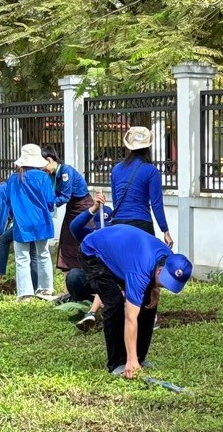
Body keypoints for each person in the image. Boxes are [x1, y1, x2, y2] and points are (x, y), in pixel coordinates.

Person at [80, 223, 193, 377]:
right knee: (115, 303)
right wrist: (130, 359)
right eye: (164, 282)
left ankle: (140, 357)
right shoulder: (140, 270)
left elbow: (154, 276)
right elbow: (131, 317)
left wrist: (154, 288)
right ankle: (117, 362)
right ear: (160, 270)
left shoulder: (167, 257)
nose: (165, 286)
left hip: (122, 253)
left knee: (149, 303)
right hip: (93, 253)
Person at [6, 143, 58, 302]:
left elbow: (9, 201)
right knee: (43, 254)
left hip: (22, 224)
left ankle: (25, 294)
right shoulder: (43, 177)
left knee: (22, 258)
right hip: (41, 221)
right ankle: (45, 289)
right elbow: (50, 202)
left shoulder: (13, 179)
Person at [110, 126, 173, 246]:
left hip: (118, 225)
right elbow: (156, 204)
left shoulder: (116, 169)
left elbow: (115, 201)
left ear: (129, 146)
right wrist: (165, 231)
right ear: (148, 146)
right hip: (142, 225)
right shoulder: (151, 171)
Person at [64, 190, 111, 332]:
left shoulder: (118, 239)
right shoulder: (90, 236)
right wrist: (94, 208)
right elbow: (74, 226)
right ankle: (86, 307)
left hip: (113, 282)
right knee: (74, 276)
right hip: (92, 279)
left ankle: (100, 310)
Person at [41, 148, 91, 272]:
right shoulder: (52, 175)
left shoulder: (65, 171)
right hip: (72, 208)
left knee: (84, 239)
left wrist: (49, 205)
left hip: (83, 207)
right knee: (66, 239)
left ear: (50, 160)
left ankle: (88, 271)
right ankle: (70, 274)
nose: (44, 171)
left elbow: (65, 196)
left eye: (43, 167)